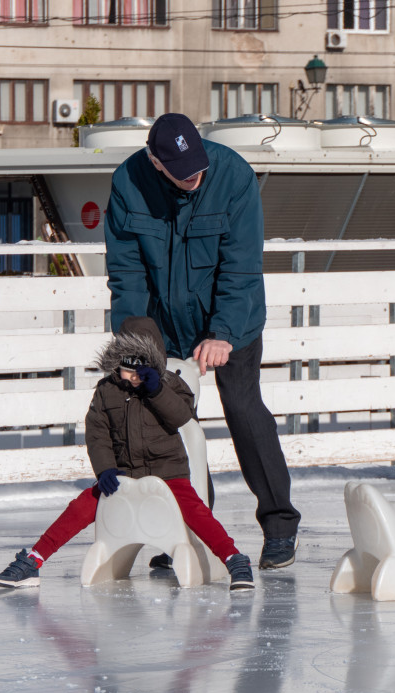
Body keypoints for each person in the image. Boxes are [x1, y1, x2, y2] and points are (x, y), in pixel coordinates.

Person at [103, 113, 300, 570]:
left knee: (245, 411)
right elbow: (126, 272)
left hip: (232, 323)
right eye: (181, 170)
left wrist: (224, 334)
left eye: (197, 165)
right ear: (155, 161)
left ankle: (279, 524)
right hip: (165, 328)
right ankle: (187, 532)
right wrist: (138, 339)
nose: (194, 175)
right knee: (170, 427)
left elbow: (242, 266)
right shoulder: (127, 183)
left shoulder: (232, 177)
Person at [0, 317, 255, 592]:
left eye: (137, 371)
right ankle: (33, 560)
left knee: (196, 512)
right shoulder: (108, 390)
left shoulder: (171, 385)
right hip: (123, 473)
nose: (130, 377)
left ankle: (234, 559)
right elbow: (97, 432)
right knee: (81, 506)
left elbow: (180, 417)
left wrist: (156, 391)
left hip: (168, 473)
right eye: (125, 369)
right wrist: (105, 469)